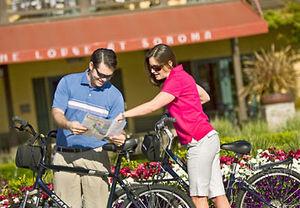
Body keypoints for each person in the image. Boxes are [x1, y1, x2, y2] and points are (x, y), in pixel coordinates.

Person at [116, 44, 230, 208]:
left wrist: (124, 115)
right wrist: (181, 111)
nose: (154, 71)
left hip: (198, 141)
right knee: (218, 195)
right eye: (151, 68)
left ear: (169, 63)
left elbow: (152, 106)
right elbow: (204, 97)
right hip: (209, 137)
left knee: (198, 198)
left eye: (157, 67)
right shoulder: (184, 76)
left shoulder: (175, 81)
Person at [51, 48, 126, 208]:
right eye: (100, 74)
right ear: (91, 65)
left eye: (109, 76)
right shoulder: (68, 82)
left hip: (96, 156)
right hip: (64, 156)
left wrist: (119, 136)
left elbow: (117, 128)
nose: (103, 79)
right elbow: (57, 112)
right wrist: (68, 124)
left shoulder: (115, 95)